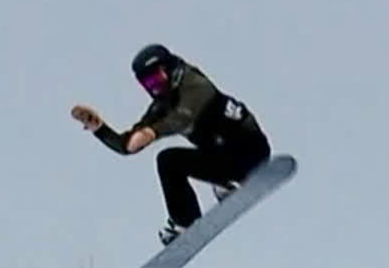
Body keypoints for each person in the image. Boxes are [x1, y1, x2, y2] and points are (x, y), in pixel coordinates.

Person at [72, 43, 272, 244]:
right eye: (148, 84)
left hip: (251, 150)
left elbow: (183, 117)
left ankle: (234, 177)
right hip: (222, 161)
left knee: (212, 131)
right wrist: (100, 128)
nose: (154, 87)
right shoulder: (163, 105)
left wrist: (152, 132)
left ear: (169, 69)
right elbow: (128, 145)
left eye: (157, 79)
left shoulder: (194, 83)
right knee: (167, 161)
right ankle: (186, 221)